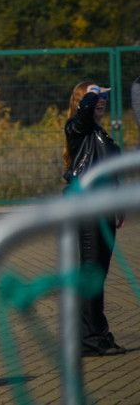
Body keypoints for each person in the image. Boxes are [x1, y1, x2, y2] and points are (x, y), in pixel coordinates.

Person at [63, 81, 126, 357]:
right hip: (86, 208)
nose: (100, 101)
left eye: (102, 98)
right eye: (94, 98)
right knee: (90, 273)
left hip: (104, 208)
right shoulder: (77, 129)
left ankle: (98, 334)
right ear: (82, 103)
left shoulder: (100, 134)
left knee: (98, 274)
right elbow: (84, 113)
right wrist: (90, 92)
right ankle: (88, 339)